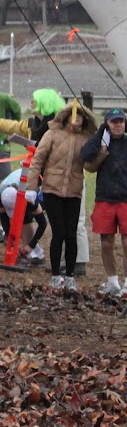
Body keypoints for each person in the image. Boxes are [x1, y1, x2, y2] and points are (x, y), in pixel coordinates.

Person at [27, 100, 97, 291]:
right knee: (58, 233)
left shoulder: (86, 139)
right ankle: (56, 274)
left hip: (74, 191)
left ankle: (70, 275)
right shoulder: (52, 134)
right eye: (74, 114)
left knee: (71, 234)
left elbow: (90, 165)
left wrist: (100, 151)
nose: (77, 119)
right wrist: (32, 186)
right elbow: (38, 160)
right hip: (52, 189)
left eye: (80, 115)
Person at [83, 108, 127, 297]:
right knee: (106, 243)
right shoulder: (100, 142)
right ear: (107, 124)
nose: (118, 125)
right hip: (105, 198)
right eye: (114, 122)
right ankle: (112, 281)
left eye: (121, 121)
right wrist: (102, 149)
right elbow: (87, 160)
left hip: (125, 199)